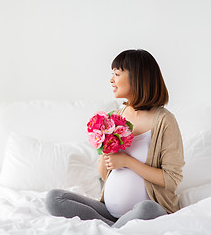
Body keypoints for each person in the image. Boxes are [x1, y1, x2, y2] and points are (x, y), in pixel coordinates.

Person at [45, 49, 185, 228]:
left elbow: (171, 180)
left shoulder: (164, 120)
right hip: (108, 211)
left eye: (117, 74)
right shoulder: (116, 117)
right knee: (54, 199)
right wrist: (106, 150)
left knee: (146, 209)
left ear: (137, 78)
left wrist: (126, 161)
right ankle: (115, 228)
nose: (111, 80)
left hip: (149, 210)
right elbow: (105, 175)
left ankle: (108, 229)